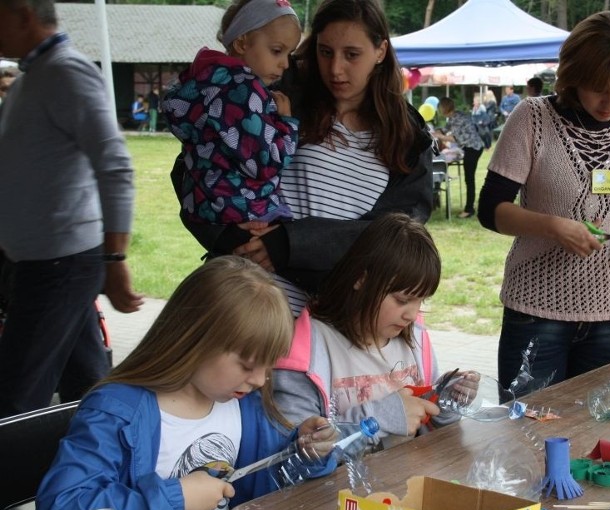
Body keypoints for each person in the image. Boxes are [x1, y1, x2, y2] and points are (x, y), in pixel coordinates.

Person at [35, 256, 338, 510]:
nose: (260, 380)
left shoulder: (244, 404)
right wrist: (174, 498)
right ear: (194, 339)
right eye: (247, 365)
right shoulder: (115, 413)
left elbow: (266, 484)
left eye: (268, 367)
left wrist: (304, 451)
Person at [173, 0, 434, 316]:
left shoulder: (407, 135)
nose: (336, 68)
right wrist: (233, 238)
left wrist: (291, 244)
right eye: (325, 52)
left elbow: (399, 233)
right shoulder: (274, 94)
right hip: (244, 304)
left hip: (337, 319)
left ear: (380, 51)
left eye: (352, 54)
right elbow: (197, 169)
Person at [478, 11, 610, 399]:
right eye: (599, 87)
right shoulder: (533, 118)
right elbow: (491, 208)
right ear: (573, 74)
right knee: (530, 432)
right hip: (537, 309)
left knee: (599, 433)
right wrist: (554, 228)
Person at [0, 0, 143, 419]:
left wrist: (115, 259)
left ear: (22, 13)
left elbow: (115, 167)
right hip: (45, 263)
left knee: (15, 396)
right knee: (87, 384)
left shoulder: (67, 71)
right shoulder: (32, 78)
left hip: (61, 265)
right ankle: (105, 460)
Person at [274, 213, 479, 453]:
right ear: (361, 279)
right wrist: (379, 419)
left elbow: (428, 431)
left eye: (420, 301)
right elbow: (297, 455)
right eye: (402, 299)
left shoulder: (415, 337)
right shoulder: (306, 352)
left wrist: (444, 403)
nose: (411, 315)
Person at [162, 0, 301, 226]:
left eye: (290, 53)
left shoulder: (205, 82)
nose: (285, 63)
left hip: (203, 207)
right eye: (277, 51)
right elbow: (266, 163)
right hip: (244, 210)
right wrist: (287, 123)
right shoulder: (244, 91)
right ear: (242, 42)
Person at [434, 97, 484, 218]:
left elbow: (454, 138)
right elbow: (446, 129)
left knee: (469, 179)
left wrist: (438, 136)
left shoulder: (457, 119)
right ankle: (469, 207)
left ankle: (469, 209)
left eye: (440, 107)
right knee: (469, 179)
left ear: (443, 108)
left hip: (472, 148)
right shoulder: (455, 116)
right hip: (472, 146)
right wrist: (437, 131)